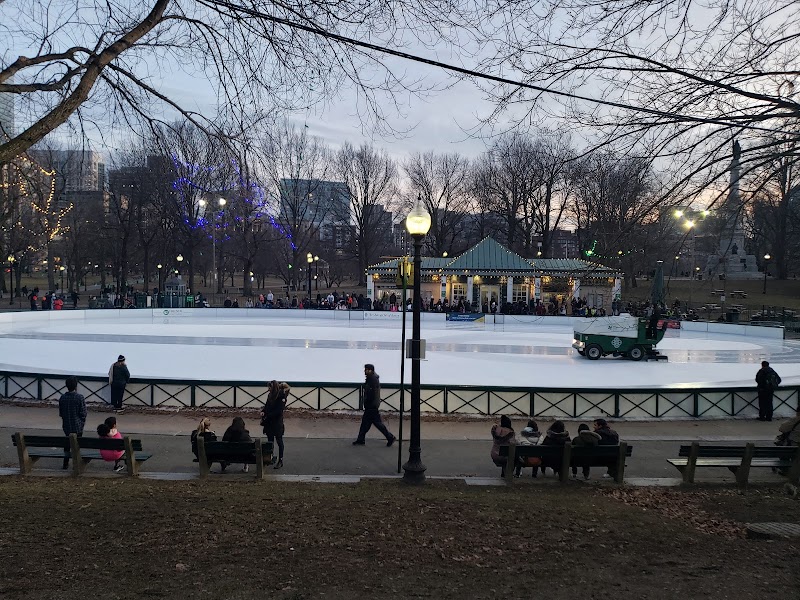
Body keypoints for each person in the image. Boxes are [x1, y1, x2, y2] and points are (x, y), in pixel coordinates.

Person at [353, 364, 396, 447]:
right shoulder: (371, 379)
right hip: (371, 405)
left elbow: (372, 393)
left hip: (371, 406)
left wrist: (368, 402)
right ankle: (360, 439)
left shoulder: (372, 380)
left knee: (377, 423)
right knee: (366, 423)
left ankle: (390, 437)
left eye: (366, 369)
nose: (364, 371)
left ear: (370, 370)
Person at [58, 376, 87, 470]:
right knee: (77, 445)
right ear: (76, 386)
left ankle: (65, 463)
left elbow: (61, 413)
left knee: (67, 444)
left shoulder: (62, 398)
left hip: (67, 426)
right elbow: (83, 413)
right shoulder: (79, 397)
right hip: (77, 426)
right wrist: (81, 423)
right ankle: (76, 463)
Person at [261, 380, 289, 469]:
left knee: (279, 441)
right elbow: (267, 406)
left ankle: (280, 459)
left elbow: (279, 411)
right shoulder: (270, 395)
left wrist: (268, 415)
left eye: (270, 387)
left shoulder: (281, 396)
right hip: (269, 422)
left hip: (276, 423)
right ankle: (270, 457)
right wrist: (263, 411)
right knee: (270, 441)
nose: (268, 389)